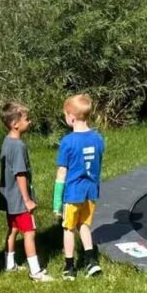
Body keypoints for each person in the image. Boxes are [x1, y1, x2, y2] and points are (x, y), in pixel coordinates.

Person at [52, 93, 105, 280]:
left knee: (68, 229)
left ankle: (69, 267)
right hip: (91, 192)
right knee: (84, 226)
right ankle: (91, 262)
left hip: (72, 193)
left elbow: (61, 174)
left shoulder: (67, 142)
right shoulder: (98, 138)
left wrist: (57, 202)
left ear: (71, 117)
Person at [0, 101, 53, 282]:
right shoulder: (18, 146)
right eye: (27, 119)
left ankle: (9, 263)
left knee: (13, 229)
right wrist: (27, 199)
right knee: (29, 233)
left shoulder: (7, 141)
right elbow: (20, 174)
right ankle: (35, 272)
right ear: (15, 124)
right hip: (19, 199)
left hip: (8, 198)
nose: (30, 122)